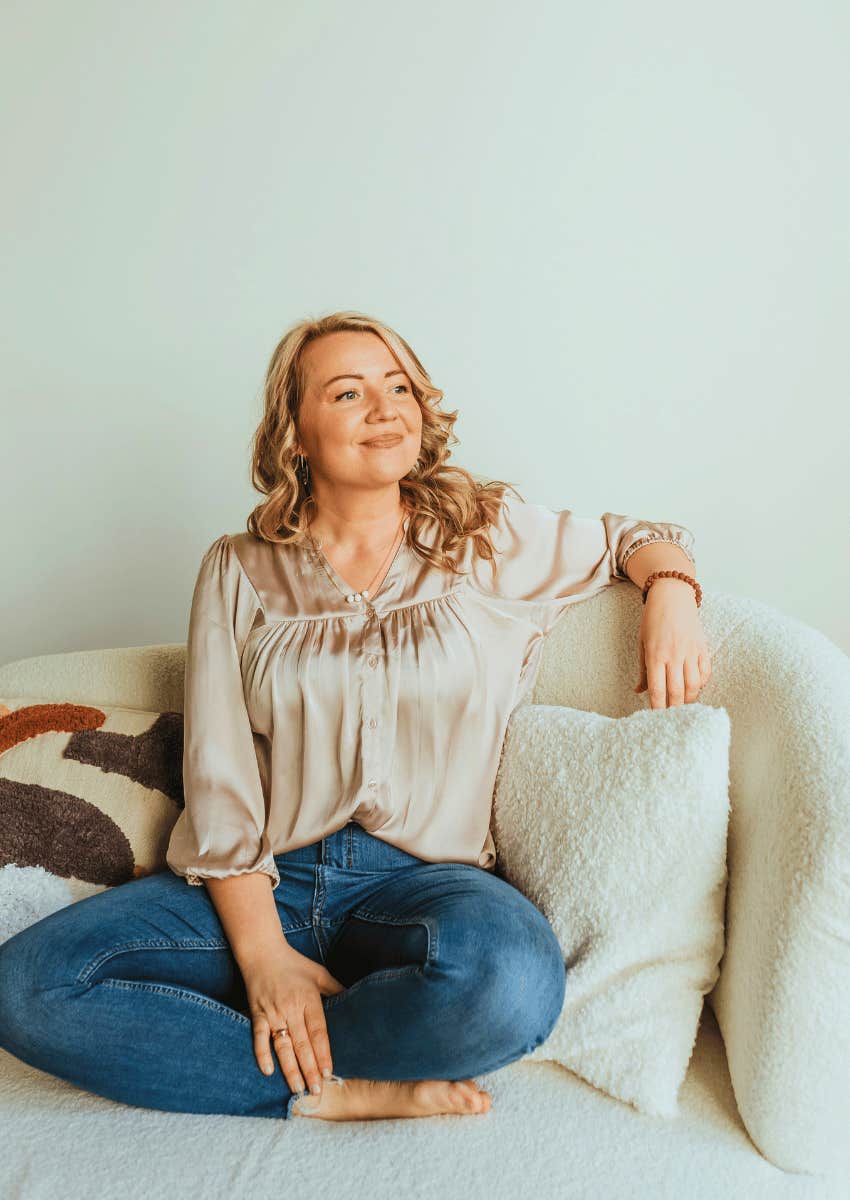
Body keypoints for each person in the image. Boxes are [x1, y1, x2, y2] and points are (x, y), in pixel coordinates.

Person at [0, 310, 710, 1123]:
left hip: (425, 886)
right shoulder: (238, 568)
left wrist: (671, 591)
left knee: (509, 986)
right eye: (348, 392)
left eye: (398, 386)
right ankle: (333, 1091)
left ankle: (257, 1061)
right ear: (295, 433)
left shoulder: (483, 536)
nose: (385, 408)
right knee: (25, 989)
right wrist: (264, 958)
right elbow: (219, 772)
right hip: (264, 877)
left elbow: (640, 537)